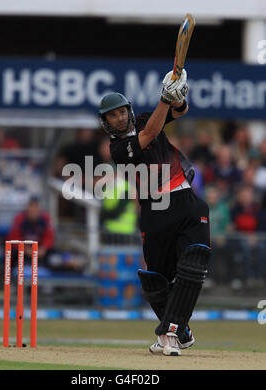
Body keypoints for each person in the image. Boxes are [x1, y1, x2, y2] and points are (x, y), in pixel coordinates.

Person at [98, 69, 211, 356]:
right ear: (106, 122)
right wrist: (165, 97)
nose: (120, 117)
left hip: (186, 199)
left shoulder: (148, 116)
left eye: (123, 111)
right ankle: (180, 330)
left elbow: (180, 111)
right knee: (155, 279)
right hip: (155, 211)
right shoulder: (118, 149)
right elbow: (149, 135)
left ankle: (170, 333)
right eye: (113, 115)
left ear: (129, 111)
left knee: (193, 263)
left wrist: (178, 93)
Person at [7, 197, 55, 268]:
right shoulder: (19, 218)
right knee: (11, 254)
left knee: (53, 257)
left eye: (35, 207)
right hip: (23, 250)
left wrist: (43, 249)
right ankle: (12, 275)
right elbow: (14, 238)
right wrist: (27, 250)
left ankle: (49, 276)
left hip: (40, 250)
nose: (33, 210)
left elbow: (49, 237)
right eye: (31, 206)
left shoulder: (45, 219)